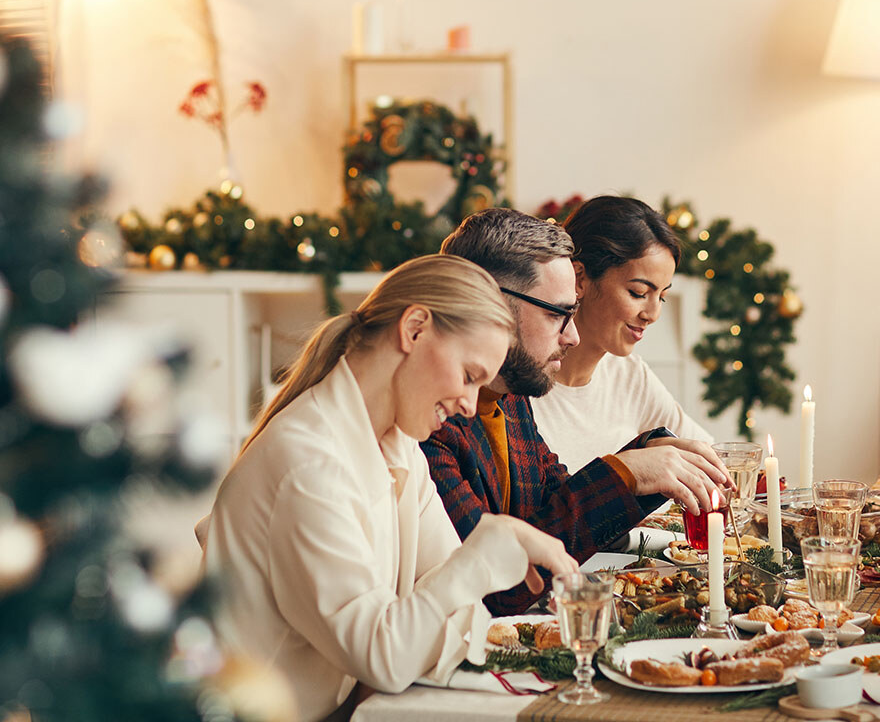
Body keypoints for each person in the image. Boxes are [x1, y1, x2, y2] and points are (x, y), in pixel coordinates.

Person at [198, 254, 577, 722]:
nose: (468, 405)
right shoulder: (310, 463)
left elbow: (463, 615)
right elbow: (387, 656)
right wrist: (481, 552)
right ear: (415, 329)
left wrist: (410, 632)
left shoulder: (399, 446)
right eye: (469, 375)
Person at [421, 208, 733, 615]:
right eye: (556, 314)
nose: (571, 334)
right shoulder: (431, 421)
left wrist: (649, 453)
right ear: (490, 305)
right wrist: (628, 472)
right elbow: (498, 588)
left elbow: (554, 501)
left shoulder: (508, 398)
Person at [532, 195, 713, 473]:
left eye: (661, 297)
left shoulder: (629, 375)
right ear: (579, 278)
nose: (652, 314)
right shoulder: (520, 387)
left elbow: (708, 456)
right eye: (638, 293)